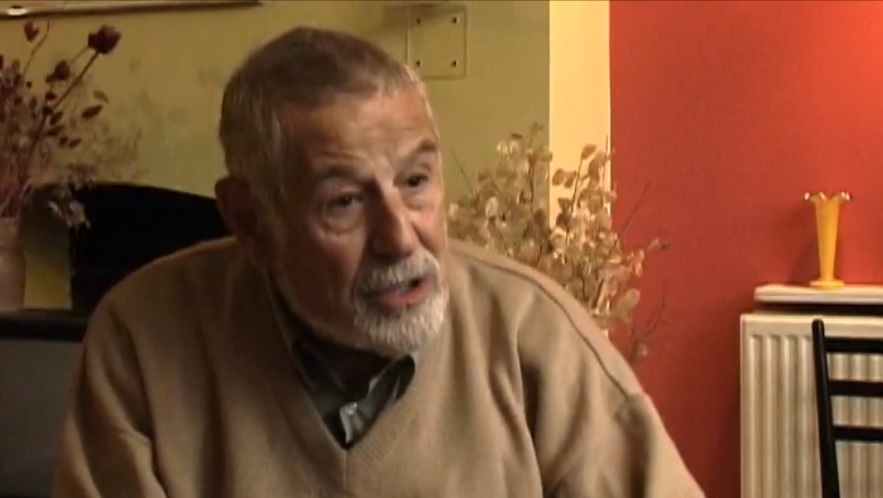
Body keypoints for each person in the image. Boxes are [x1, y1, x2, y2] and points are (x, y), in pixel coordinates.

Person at [52, 26, 704, 498]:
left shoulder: (534, 335)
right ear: (251, 221)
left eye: (415, 182)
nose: (400, 237)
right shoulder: (142, 340)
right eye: (344, 202)